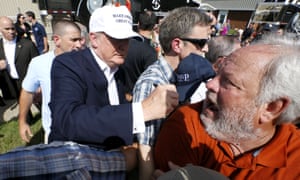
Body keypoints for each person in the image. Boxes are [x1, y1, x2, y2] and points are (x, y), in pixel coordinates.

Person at [0, 5, 178, 179]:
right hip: (76, 165)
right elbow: (68, 119)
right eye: (115, 38)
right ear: (93, 39)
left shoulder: (118, 68)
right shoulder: (68, 64)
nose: (123, 46)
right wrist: (140, 111)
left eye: (126, 39)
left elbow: (114, 109)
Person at [154, 34, 300, 179]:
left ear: (271, 108)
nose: (210, 84)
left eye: (229, 82)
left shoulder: (295, 154)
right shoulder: (186, 124)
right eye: (218, 73)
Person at [132, 7, 212, 180]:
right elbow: (145, 146)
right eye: (201, 43)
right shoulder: (152, 82)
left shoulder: (187, 75)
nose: (206, 49)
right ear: (177, 44)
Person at [18, 20, 83, 144]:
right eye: (74, 40)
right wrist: (22, 121)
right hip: (55, 132)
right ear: (57, 40)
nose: (79, 45)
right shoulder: (39, 63)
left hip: (84, 130)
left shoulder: (86, 60)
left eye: (80, 40)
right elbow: (27, 91)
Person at [121, 10, 158, 101]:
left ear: (138, 24)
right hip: (138, 100)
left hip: (120, 96)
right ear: (154, 27)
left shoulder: (124, 45)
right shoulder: (150, 52)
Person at [0, 16, 39, 100]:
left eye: (12, 28)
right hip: (12, 84)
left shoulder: (27, 44)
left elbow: (39, 65)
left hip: (30, 82)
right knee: (23, 107)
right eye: (7, 29)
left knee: (41, 104)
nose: (11, 31)